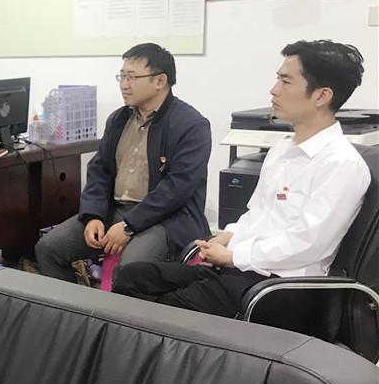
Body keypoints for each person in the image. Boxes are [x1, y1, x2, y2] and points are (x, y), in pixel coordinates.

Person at [113, 40, 369, 324]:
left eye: (286, 81)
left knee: (165, 313)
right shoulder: (283, 149)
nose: (274, 90)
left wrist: (233, 256)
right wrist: (228, 236)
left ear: (321, 96)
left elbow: (307, 245)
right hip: (241, 269)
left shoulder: (341, 164)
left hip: (280, 286)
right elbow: (257, 213)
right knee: (133, 277)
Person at [34, 43, 212, 283]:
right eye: (122, 76)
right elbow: (99, 170)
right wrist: (93, 215)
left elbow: (177, 189)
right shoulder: (119, 119)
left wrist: (130, 225)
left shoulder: (191, 125)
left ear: (160, 81)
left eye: (132, 77)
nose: (124, 85)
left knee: (130, 269)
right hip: (115, 211)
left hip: (166, 219)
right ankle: (72, 305)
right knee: (49, 248)